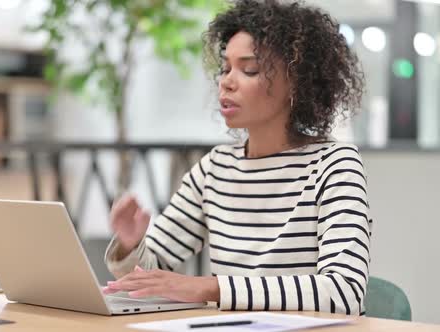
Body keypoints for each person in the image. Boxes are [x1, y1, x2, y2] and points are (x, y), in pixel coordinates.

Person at [102, 0, 370, 316]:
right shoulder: (215, 169)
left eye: (250, 69)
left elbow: (343, 292)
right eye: (225, 67)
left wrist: (211, 287)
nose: (227, 81)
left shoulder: (334, 165)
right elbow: (146, 280)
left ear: (297, 82)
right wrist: (131, 244)